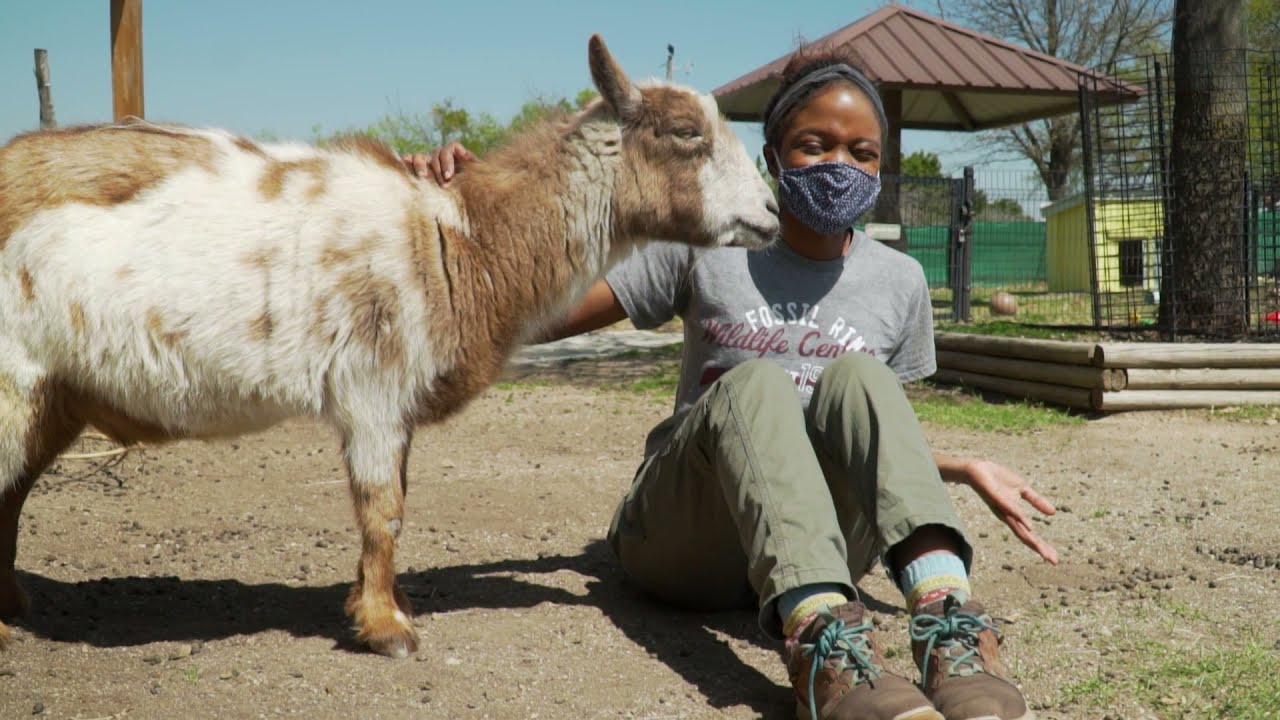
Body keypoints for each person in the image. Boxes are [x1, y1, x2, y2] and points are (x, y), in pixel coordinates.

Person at [408, 47, 1057, 720]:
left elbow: (868, 438)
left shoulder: (901, 281)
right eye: (815, 145)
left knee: (861, 378)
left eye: (862, 153)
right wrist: (462, 212)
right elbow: (521, 307)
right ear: (771, 156)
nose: (839, 164)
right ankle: (824, 648)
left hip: (828, 541)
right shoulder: (704, 245)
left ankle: (951, 628)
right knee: (757, 386)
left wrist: (957, 467)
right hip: (689, 539)